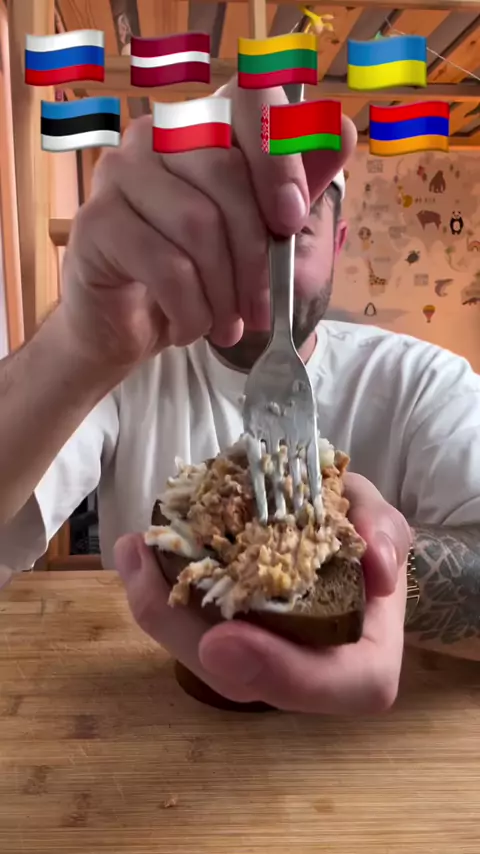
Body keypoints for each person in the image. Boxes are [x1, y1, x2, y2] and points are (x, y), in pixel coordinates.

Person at [1, 79, 480, 714]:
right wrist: (77, 346)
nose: (258, 270)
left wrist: (372, 561)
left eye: (293, 236)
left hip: (369, 748)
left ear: (338, 246)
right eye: (231, 238)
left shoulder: (423, 380)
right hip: (158, 727)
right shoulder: (123, 369)